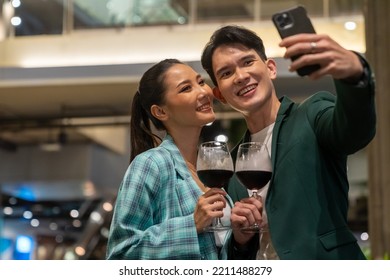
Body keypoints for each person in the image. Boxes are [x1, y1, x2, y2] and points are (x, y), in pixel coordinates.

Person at [201, 25, 376, 260]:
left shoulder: (311, 114)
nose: (241, 76)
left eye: (247, 62)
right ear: (220, 95)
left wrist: (355, 76)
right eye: (226, 73)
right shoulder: (231, 164)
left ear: (271, 68)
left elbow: (354, 132)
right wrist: (241, 240)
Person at [106, 59, 240, 259]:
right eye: (186, 88)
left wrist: (242, 237)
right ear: (160, 111)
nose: (204, 92)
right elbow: (120, 255)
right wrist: (191, 225)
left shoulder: (210, 167)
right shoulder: (150, 164)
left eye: (200, 82)